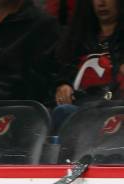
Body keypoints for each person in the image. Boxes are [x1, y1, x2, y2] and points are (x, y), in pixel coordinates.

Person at [51, 0, 124, 132]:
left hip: (117, 112)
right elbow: (64, 71)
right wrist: (63, 85)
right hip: (83, 113)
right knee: (63, 112)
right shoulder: (76, 41)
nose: (101, 3)